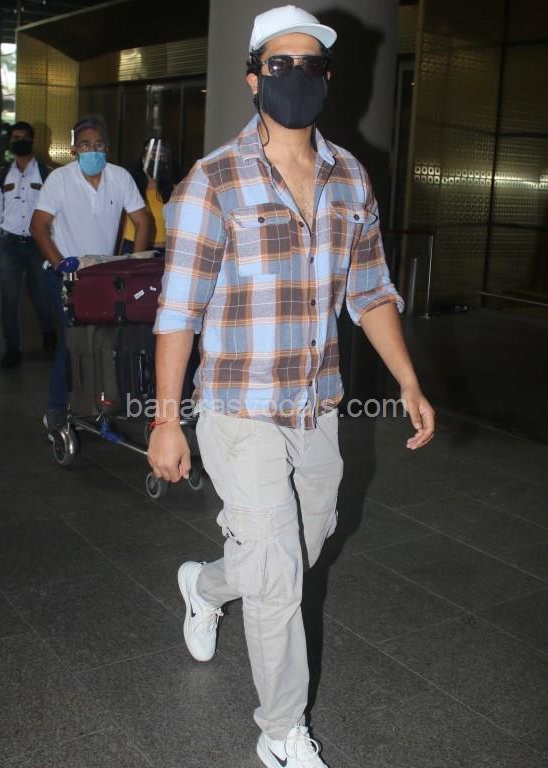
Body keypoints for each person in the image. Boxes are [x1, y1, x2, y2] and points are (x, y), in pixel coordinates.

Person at [148, 7, 435, 767]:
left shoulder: (350, 178)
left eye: (311, 64)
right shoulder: (213, 182)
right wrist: (166, 420)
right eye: (279, 64)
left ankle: (205, 587)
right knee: (278, 578)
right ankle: (281, 733)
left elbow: (370, 292)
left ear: (328, 79)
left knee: (300, 546)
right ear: (254, 79)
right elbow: (178, 313)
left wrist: (408, 380)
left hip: (316, 406)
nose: (295, 77)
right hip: (238, 407)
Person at [30, 113, 149, 430]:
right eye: (85, 145)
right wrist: (60, 264)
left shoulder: (120, 177)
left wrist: (132, 263)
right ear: (74, 149)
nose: (92, 151)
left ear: (107, 149)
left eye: (98, 145)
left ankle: (100, 401)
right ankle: (57, 409)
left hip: (103, 276)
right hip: (67, 274)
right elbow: (38, 226)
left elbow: (142, 220)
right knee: (72, 342)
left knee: (105, 342)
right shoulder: (60, 180)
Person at [0, 121, 56, 368]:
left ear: (32, 141)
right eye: (16, 137)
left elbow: (56, 212)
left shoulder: (47, 173)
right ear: (10, 142)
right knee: (9, 299)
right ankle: (12, 348)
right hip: (10, 243)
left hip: (39, 243)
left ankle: (49, 333)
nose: (20, 141)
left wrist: (56, 244)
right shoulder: (1, 174)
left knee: (42, 294)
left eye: (24, 137)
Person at [121, 137, 177, 257]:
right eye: (153, 155)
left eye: (162, 156)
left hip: (162, 252)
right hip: (132, 247)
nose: (157, 160)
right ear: (143, 158)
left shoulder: (175, 191)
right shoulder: (130, 187)